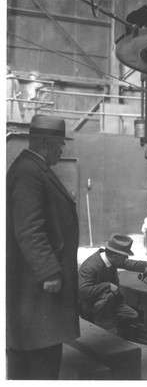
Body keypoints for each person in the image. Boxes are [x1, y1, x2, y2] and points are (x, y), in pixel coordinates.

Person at [6, 114, 79, 379]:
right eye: (60, 144)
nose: (62, 150)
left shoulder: (31, 169)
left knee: (33, 350)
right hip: (37, 287)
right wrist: (49, 271)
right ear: (48, 143)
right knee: (41, 357)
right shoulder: (30, 172)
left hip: (33, 287)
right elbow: (29, 228)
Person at [78, 233, 147, 335]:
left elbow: (126, 263)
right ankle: (103, 327)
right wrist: (107, 285)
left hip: (111, 302)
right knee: (106, 303)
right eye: (125, 256)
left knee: (132, 316)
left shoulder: (111, 259)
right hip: (94, 306)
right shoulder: (90, 267)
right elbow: (83, 290)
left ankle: (112, 323)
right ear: (114, 256)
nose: (126, 258)